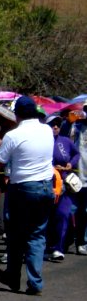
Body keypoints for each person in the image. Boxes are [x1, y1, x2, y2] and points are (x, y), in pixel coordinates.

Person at [0, 96, 56, 296]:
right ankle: (35, 282)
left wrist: (2, 178)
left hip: (23, 187)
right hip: (46, 186)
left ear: (17, 114)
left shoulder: (14, 135)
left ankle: (13, 275)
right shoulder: (47, 130)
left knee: (15, 234)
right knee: (37, 234)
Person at [45, 114, 80, 261]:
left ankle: (58, 248)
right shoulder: (41, 142)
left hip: (64, 186)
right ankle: (46, 247)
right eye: (53, 124)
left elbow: (76, 153)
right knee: (47, 217)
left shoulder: (65, 141)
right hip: (46, 184)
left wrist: (71, 164)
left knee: (63, 214)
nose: (55, 127)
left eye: (58, 125)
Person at [64, 106, 87, 255]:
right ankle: (65, 241)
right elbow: (65, 139)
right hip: (73, 177)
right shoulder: (75, 127)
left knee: (84, 212)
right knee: (69, 210)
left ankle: (81, 242)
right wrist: (69, 122)